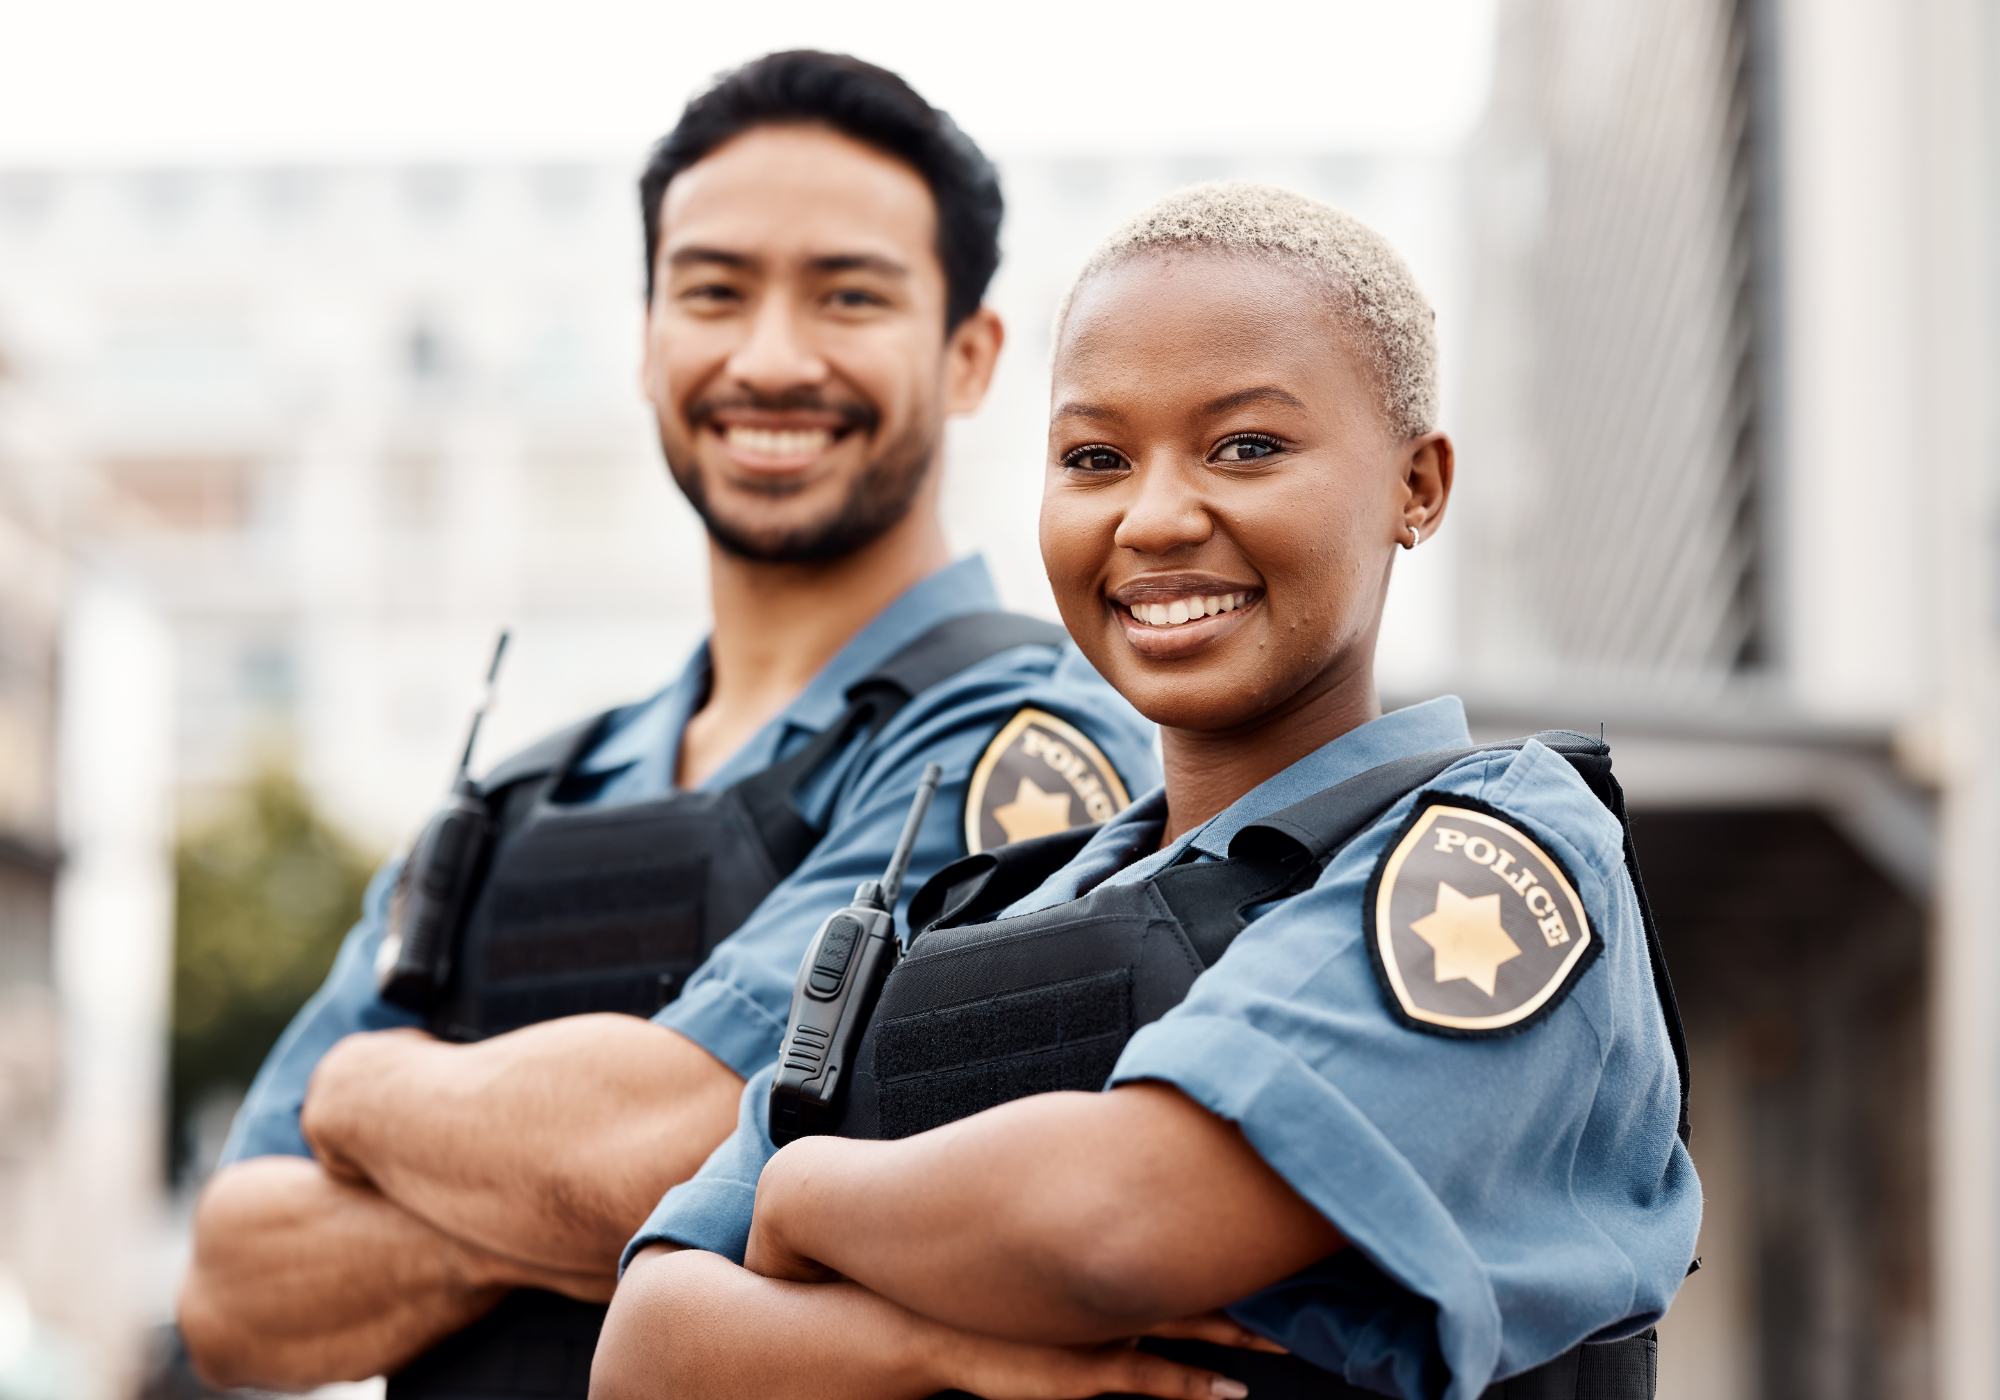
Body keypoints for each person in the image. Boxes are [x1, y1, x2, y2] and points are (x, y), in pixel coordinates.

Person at [593, 181, 1700, 1400]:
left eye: (1246, 446)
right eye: (1095, 457)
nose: (1155, 516)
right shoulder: (960, 915)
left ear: (1416, 486)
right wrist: (936, 1347)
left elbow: (1117, 1223)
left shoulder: (1497, 848)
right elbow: (643, 1349)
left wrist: (803, 1192)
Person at [176, 52, 1157, 1398]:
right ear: (646, 340)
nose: (770, 357)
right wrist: (586, 1202)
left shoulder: (1031, 743)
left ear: (970, 356)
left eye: (848, 294)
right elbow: (233, 1292)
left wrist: (363, 1096)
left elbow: (658, 1149)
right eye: (713, 290)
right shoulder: (522, 795)